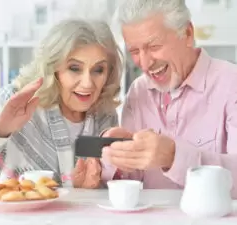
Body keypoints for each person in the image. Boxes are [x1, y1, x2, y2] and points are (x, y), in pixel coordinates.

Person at [0, 19, 123, 189]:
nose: (87, 83)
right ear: (53, 69)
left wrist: (90, 185)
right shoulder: (16, 100)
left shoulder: (104, 115)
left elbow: (108, 189)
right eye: (74, 68)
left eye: (98, 70)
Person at [101, 0, 237, 197]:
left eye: (154, 46)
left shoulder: (231, 83)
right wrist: (118, 160)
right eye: (134, 51)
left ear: (188, 34)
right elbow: (132, 183)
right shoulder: (139, 91)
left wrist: (174, 157)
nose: (145, 63)